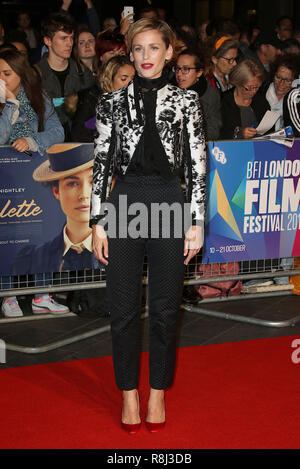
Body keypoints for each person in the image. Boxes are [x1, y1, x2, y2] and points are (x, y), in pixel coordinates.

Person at [90, 18, 206, 434]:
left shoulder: (187, 102)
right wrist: (98, 222)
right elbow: (102, 165)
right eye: (138, 49)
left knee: (163, 308)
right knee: (121, 308)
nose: (145, 57)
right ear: (130, 51)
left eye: (154, 48)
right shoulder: (110, 103)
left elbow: (196, 165)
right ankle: (128, 393)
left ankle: (157, 390)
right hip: (124, 203)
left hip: (170, 202)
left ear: (169, 52)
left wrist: (197, 222)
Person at [0, 48, 67, 318]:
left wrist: (34, 141)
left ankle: (42, 294)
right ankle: (8, 297)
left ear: (20, 73)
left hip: (34, 179)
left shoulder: (39, 98)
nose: (1, 79)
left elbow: (57, 132)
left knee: (41, 235)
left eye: (6, 73)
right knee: (7, 238)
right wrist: (10, 108)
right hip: (5, 180)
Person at [12, 144, 102, 274]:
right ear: (56, 191)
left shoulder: (122, 251)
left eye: (93, 182)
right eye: (72, 183)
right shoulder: (32, 259)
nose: (84, 194)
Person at [36, 12, 95, 141]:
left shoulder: (83, 73)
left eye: (71, 38)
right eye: (63, 38)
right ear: (47, 40)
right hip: (45, 146)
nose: (69, 43)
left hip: (78, 145)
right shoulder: (34, 75)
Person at [71, 55, 135, 142]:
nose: (130, 84)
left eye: (133, 79)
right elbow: (79, 135)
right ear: (110, 79)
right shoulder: (91, 98)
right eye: (124, 79)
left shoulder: (137, 99)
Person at [174, 48, 222, 140]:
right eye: (177, 68)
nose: (179, 74)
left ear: (199, 72)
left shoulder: (210, 95)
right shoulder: (170, 91)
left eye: (186, 69)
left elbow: (213, 131)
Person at [220, 58, 270, 139]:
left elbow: (269, 128)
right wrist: (239, 133)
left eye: (257, 87)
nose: (253, 91)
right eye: (249, 88)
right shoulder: (224, 101)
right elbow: (218, 133)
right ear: (238, 83)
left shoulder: (260, 99)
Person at [266, 54, 299, 130]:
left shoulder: (296, 101)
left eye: (287, 80)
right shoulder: (260, 94)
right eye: (278, 77)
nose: (281, 83)